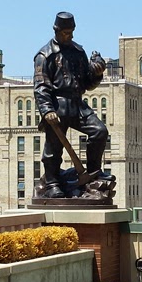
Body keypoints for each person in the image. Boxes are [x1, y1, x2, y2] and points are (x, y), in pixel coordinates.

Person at [33, 12, 113, 198]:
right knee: (53, 148)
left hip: (77, 104)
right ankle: (52, 184)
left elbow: (87, 83)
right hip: (57, 105)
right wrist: (47, 110)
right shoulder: (45, 55)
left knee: (100, 131)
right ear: (56, 30)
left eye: (71, 32)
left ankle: (93, 172)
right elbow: (40, 86)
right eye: (65, 33)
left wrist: (97, 73)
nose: (69, 36)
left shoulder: (78, 52)